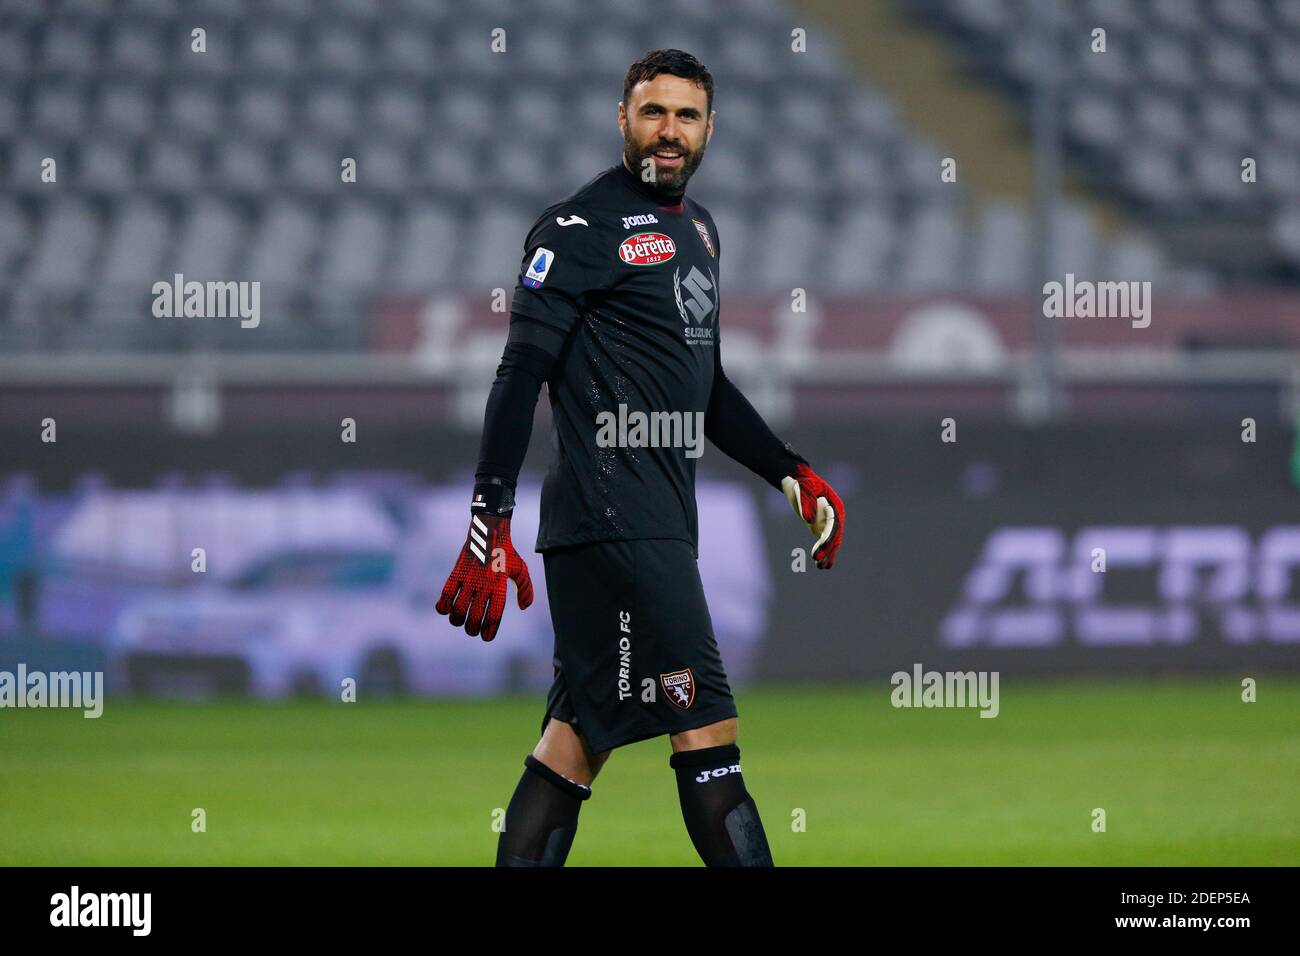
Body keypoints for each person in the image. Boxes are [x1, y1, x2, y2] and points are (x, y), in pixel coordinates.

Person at [436, 49, 845, 867]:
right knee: (709, 731)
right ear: (622, 119)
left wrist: (790, 472)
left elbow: (709, 387)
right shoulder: (577, 229)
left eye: (686, 116)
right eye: (653, 113)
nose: (670, 132)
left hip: (635, 526)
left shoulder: (699, 231)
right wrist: (490, 517)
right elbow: (520, 375)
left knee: (576, 740)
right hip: (619, 524)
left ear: (709, 130)